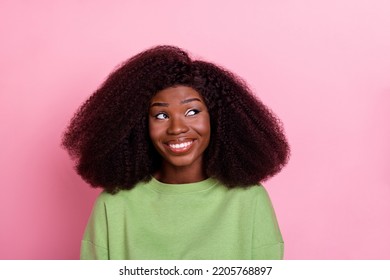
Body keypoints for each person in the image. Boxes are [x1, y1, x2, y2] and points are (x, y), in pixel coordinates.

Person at [62, 45, 290, 260]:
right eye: (161, 115)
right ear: (138, 125)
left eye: (192, 111)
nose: (177, 128)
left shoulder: (248, 199)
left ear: (216, 118)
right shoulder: (114, 205)